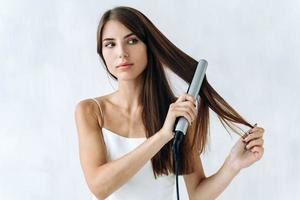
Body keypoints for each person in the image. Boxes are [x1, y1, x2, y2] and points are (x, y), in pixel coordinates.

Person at [74, 6, 265, 200]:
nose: (121, 53)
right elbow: (99, 187)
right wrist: (162, 136)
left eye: (132, 41)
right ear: (101, 53)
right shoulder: (90, 111)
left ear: (148, 46)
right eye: (110, 44)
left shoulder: (177, 114)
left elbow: (197, 194)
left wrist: (232, 165)